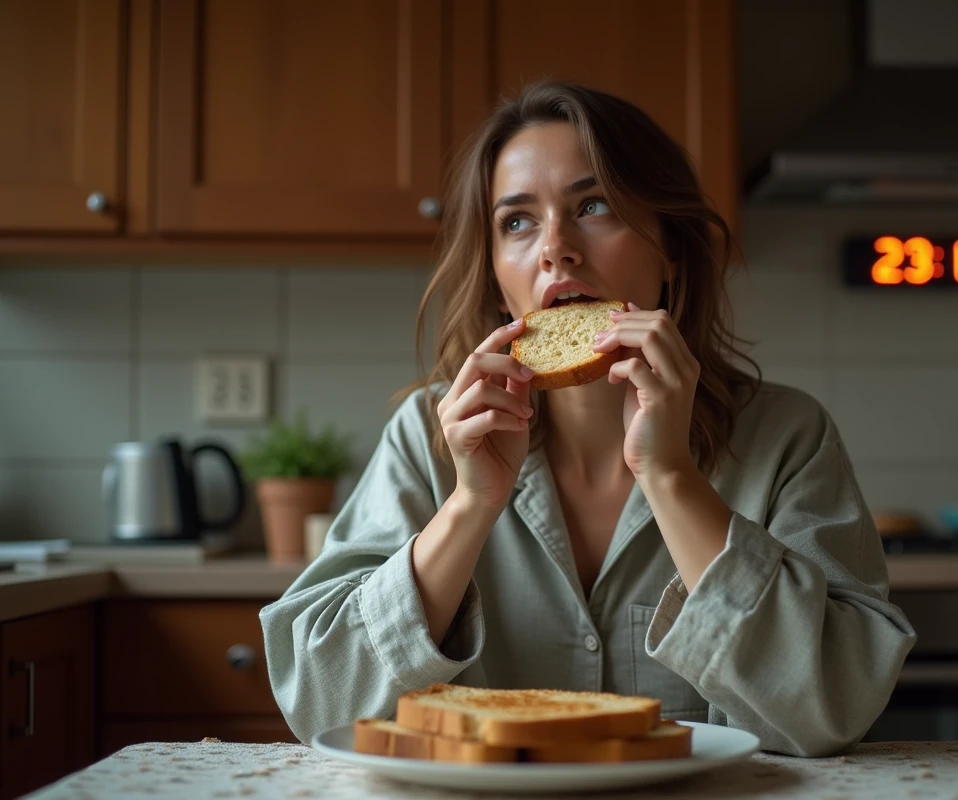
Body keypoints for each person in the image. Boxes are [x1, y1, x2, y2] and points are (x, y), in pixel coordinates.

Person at [260, 81, 916, 757]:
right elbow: (319, 700)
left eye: (594, 205)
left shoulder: (788, 438)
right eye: (516, 221)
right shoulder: (428, 436)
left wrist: (669, 475)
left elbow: (832, 710)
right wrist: (469, 505)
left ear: (672, 250)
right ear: (493, 277)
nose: (555, 248)